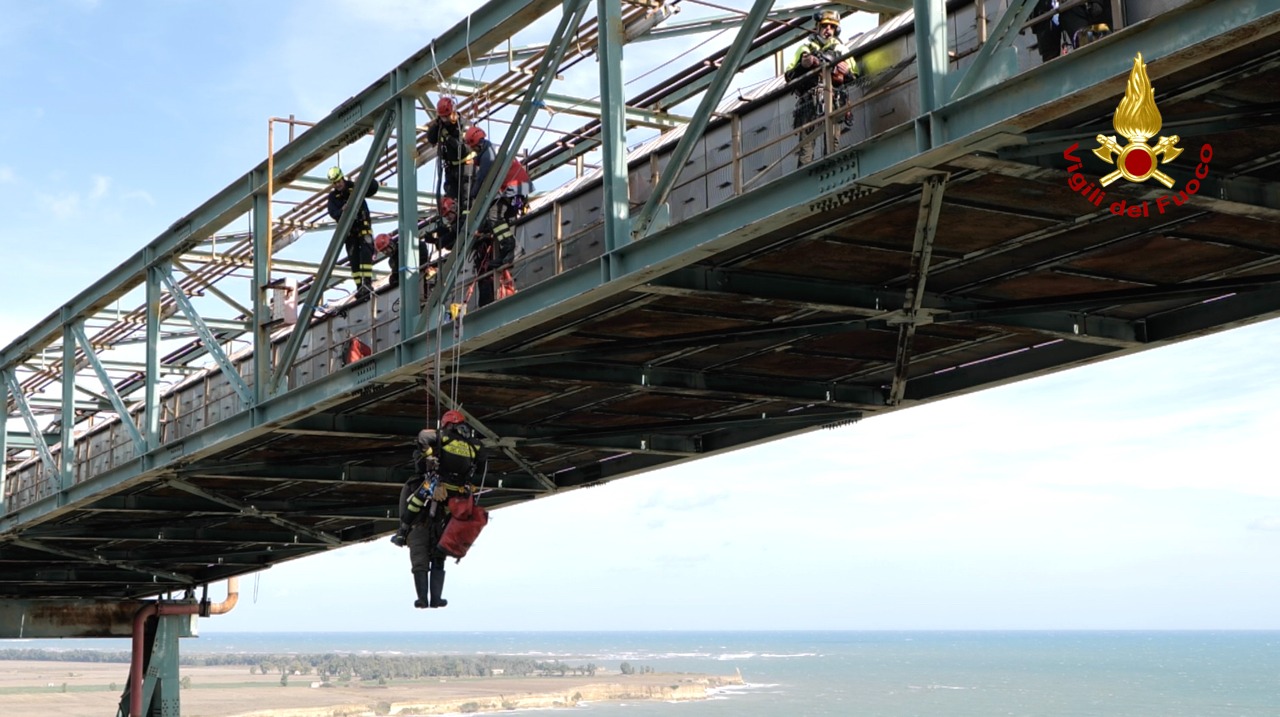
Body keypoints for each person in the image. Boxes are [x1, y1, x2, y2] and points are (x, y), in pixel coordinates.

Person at [390, 410, 486, 609]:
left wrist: (429, 455)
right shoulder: (474, 444)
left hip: (439, 484)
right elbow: (482, 462)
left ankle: (402, 532)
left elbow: (423, 438)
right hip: (459, 492)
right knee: (439, 554)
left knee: (415, 501)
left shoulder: (443, 436)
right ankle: (436, 599)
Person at [465, 126, 531, 307]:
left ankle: (512, 247)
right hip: (520, 187)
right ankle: (507, 251)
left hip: (514, 187)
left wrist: (473, 196)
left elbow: (482, 178)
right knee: (502, 218)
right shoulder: (491, 151)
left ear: (476, 145)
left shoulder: (488, 155)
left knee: (494, 216)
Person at [784, 10, 857, 167]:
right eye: (824, 26)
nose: (828, 29)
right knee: (806, 148)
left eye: (832, 26)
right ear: (817, 27)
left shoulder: (842, 50)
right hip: (809, 103)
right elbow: (789, 76)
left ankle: (832, 169)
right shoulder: (805, 48)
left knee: (833, 143)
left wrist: (847, 73)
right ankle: (804, 179)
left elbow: (855, 77)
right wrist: (803, 66)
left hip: (834, 100)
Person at [383, 196, 458, 299]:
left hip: (420, 274)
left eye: (448, 215)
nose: (448, 218)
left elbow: (453, 238)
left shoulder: (460, 223)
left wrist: (437, 240)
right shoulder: (394, 258)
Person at [326, 167, 379, 300]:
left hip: (362, 226)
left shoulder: (354, 187)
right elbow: (333, 212)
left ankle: (367, 283)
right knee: (354, 258)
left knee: (366, 253)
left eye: (338, 181)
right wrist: (341, 211)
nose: (338, 184)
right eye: (335, 183)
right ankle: (359, 286)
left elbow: (370, 189)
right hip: (349, 232)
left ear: (342, 178)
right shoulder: (333, 197)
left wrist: (368, 181)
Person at [426, 96, 473, 218]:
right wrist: (437, 124)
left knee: (466, 198)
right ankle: (454, 224)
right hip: (450, 169)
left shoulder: (465, 125)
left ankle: (466, 221)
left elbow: (463, 149)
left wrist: (448, 137)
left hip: (466, 167)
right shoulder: (442, 125)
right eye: (442, 117)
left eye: (447, 117)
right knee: (451, 199)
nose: (445, 120)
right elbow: (431, 138)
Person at [1030, 1, 1113, 62]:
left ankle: (1090, 56)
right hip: (1045, 15)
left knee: (1084, 39)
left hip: (1076, 8)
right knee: (1049, 56)